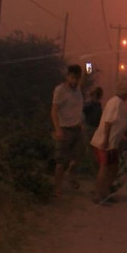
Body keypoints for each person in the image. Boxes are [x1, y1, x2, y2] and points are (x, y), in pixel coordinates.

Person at [90, 80, 127, 205]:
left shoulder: (118, 103)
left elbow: (116, 122)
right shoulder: (115, 103)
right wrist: (106, 140)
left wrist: (122, 135)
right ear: (125, 92)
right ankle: (98, 195)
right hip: (106, 142)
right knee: (105, 168)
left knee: (113, 168)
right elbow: (108, 123)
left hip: (112, 143)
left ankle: (106, 192)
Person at [51, 65, 84, 197]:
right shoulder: (60, 90)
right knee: (61, 162)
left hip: (77, 129)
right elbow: (54, 111)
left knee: (78, 157)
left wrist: (88, 64)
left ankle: (71, 174)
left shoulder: (78, 90)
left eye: (77, 78)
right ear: (67, 77)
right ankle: (57, 188)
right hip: (64, 129)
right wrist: (57, 129)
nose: (74, 81)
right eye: (72, 78)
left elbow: (89, 71)